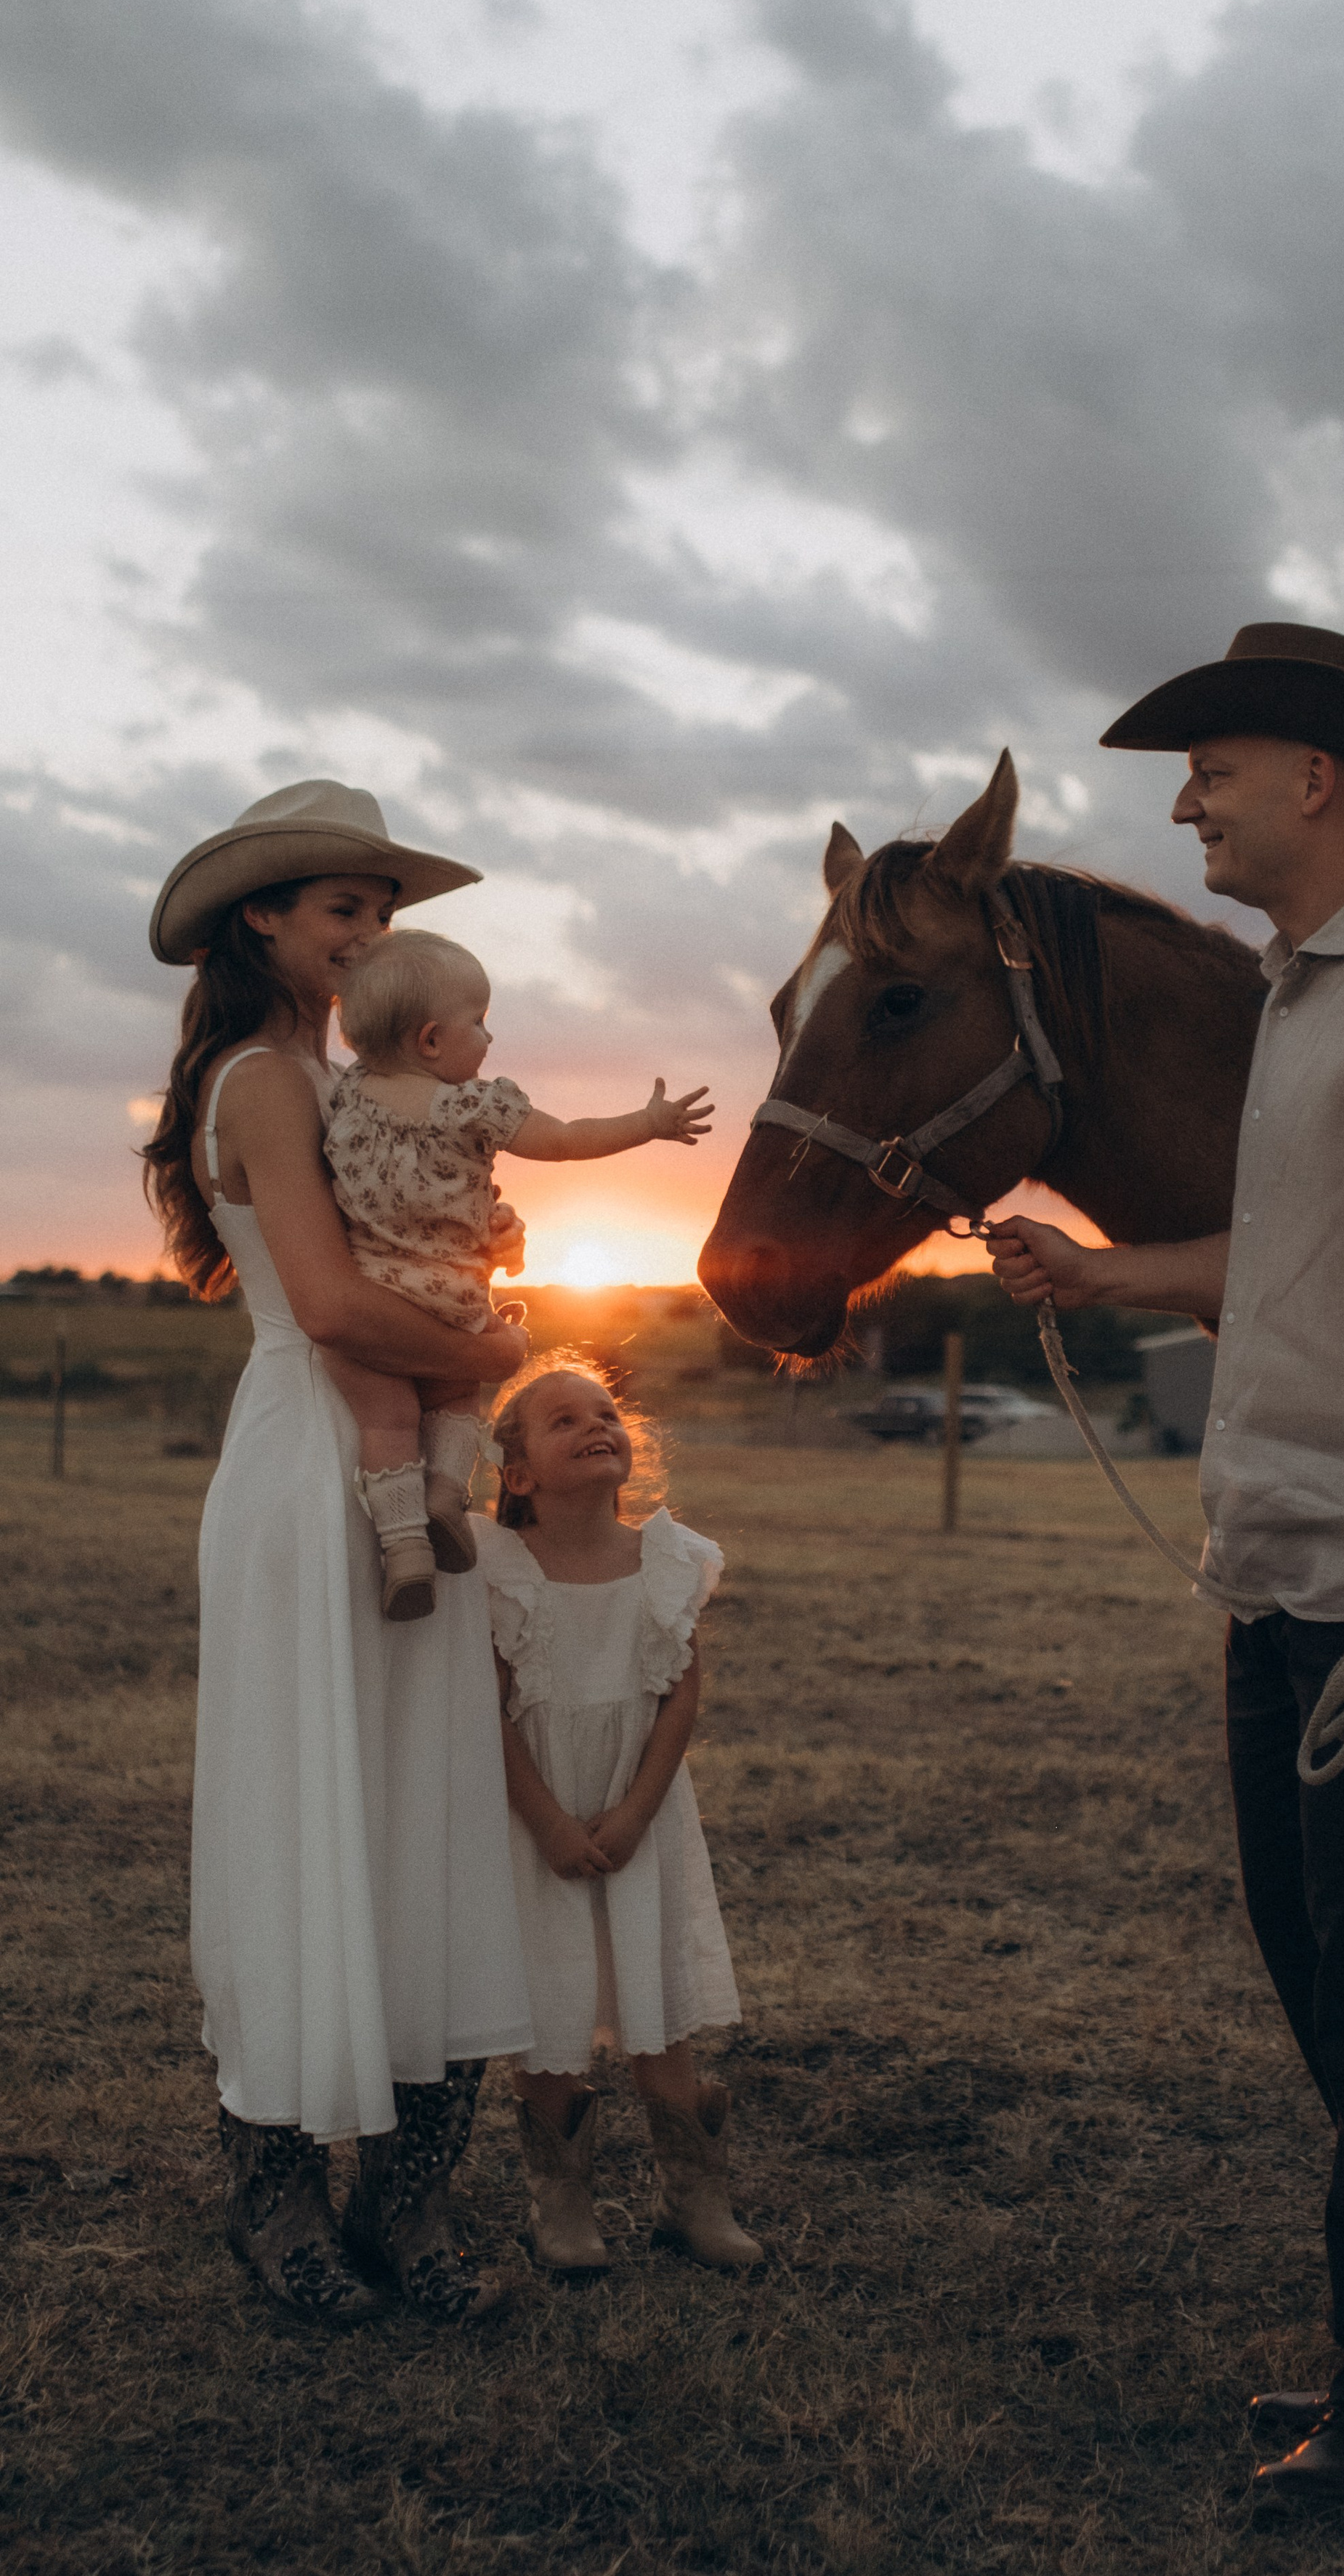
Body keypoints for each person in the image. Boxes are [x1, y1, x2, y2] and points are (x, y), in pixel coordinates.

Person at [988, 623, 1344, 2511]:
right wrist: (1101, 1276)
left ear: (1315, 776)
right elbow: (1286, 1259)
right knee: (1342, 2004)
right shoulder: (1305, 1002)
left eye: (1212, 769)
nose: (1186, 806)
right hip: (1285, 1577)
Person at [142, 780, 535, 2326]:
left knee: (425, 1797)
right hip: (315, 1463)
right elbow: (324, 1304)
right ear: (264, 920)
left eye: (384, 915)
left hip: (407, 1447)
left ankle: (410, 2207)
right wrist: (490, 1343)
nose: (372, 939)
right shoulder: (262, 1081)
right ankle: (279, 2204)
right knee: (305, 1801)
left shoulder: (367, 1085)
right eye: (343, 911)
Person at [320, 925, 713, 1619]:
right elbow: (563, 1141)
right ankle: (446, 1493)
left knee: (385, 1422)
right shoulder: (474, 1105)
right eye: (481, 1021)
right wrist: (647, 1123)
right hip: (453, 1297)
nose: (490, 1039)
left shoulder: (347, 1098)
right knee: (454, 1398)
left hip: (372, 1295)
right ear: (432, 1041)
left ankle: (405, 1546)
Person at [479, 1353, 761, 2276]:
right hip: (542, 1821)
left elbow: (680, 1696)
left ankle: (694, 2198)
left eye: (605, 1411)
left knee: (659, 1999)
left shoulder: (667, 1561)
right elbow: (489, 1715)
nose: (597, 1423)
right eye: (563, 1420)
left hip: (642, 1812)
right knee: (555, 1997)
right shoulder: (501, 1573)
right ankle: (560, 2204)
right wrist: (552, 1823)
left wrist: (637, 1811)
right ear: (516, 1475)